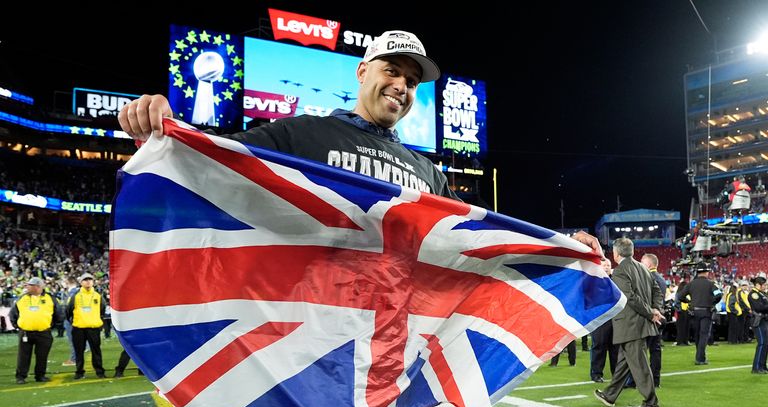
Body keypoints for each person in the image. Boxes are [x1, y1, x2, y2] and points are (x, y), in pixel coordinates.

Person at [117, 30, 605, 260]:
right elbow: (215, 161)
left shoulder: (428, 172)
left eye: (413, 81)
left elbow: (475, 237)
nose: (402, 86)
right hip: (309, 329)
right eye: (392, 71)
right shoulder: (301, 134)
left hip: (390, 336)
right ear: (362, 71)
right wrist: (159, 126)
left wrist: (560, 244)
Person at [593, 238, 662, 407]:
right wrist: (655, 309)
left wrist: (650, 312)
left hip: (631, 325)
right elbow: (657, 290)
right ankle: (610, 395)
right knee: (624, 363)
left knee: (639, 365)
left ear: (616, 254)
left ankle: (651, 404)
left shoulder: (620, 271)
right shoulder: (642, 268)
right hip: (639, 325)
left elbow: (630, 298)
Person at [9, 277, 62, 384]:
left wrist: (50, 325)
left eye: (30, 285)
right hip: (25, 332)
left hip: (44, 332)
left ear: (38, 287)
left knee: (42, 355)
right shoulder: (22, 298)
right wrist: (18, 326)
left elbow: (58, 314)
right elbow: (13, 314)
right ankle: (21, 377)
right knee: (23, 356)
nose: (27, 287)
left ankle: (40, 375)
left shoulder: (50, 298)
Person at [678, 262, 722, 365]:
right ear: (707, 272)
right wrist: (712, 302)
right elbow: (719, 295)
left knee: (697, 335)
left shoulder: (691, 284)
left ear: (697, 273)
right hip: (706, 312)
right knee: (704, 335)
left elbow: (680, 296)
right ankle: (700, 358)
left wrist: (688, 302)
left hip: (694, 312)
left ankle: (700, 356)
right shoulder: (711, 284)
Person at [66, 273, 106, 380]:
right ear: (81, 283)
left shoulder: (98, 296)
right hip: (79, 328)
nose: (88, 282)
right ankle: (79, 372)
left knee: (96, 350)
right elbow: (68, 311)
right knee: (79, 351)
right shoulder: (75, 296)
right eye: (85, 280)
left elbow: (102, 310)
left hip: (93, 328)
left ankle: (99, 371)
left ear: (93, 282)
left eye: (90, 279)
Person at [590, 259, 618, 382]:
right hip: (600, 319)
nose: (606, 267)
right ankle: (596, 374)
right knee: (599, 346)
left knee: (615, 348)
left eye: (608, 265)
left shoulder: (616, 280)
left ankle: (616, 374)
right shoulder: (594, 280)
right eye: (604, 265)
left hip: (614, 319)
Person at [639, 253, 665, 387]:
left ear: (648, 265)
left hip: (648, 317)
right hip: (659, 317)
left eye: (642, 262)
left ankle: (638, 380)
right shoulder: (661, 278)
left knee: (640, 350)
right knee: (655, 350)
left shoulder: (647, 277)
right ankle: (655, 380)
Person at [748, 276, 768, 374]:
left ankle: (763, 366)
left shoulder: (762, 294)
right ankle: (756, 367)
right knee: (762, 343)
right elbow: (758, 307)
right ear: (757, 284)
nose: (765, 286)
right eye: (763, 284)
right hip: (758, 320)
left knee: (766, 344)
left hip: (764, 320)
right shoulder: (753, 294)